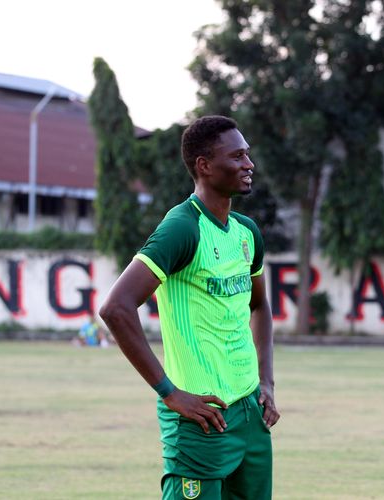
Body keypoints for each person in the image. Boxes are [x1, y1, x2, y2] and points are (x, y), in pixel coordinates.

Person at [99, 115, 279, 499]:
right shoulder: (182, 228)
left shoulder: (247, 232)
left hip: (250, 413)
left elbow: (261, 306)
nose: (249, 164)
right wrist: (169, 392)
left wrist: (266, 381)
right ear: (205, 166)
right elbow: (116, 308)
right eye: (238, 156)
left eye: (248, 155)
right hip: (199, 416)